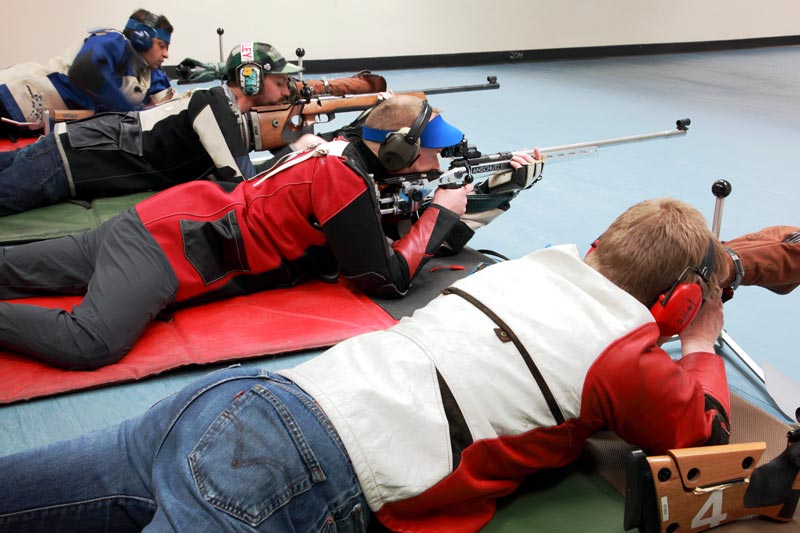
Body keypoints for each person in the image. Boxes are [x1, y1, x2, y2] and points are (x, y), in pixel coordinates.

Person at [1, 200, 797, 532]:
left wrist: (719, 271)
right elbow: (704, 446)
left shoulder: (532, 266)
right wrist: (698, 342)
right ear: (682, 302)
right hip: (288, 467)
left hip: (243, 398)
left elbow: (633, 271)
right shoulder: (627, 358)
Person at [0, 95, 537, 370]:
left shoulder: (333, 152)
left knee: (12, 271)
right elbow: (384, 276)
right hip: (165, 252)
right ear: (395, 147)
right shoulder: (344, 179)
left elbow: (395, 220)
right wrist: (444, 213)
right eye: (430, 149)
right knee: (92, 342)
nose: (438, 159)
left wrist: (498, 190)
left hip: (158, 220)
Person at [0, 42, 324, 216]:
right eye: (280, 83)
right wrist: (296, 150)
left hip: (67, 151)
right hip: (67, 161)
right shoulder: (215, 107)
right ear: (250, 77)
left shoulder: (215, 105)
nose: (285, 92)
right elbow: (246, 186)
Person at [0, 9, 174, 140]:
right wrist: (128, 110)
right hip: (20, 93)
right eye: (161, 45)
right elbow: (84, 71)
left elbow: (168, 108)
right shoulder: (114, 41)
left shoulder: (151, 74)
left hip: (42, 120)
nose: (166, 54)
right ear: (141, 38)